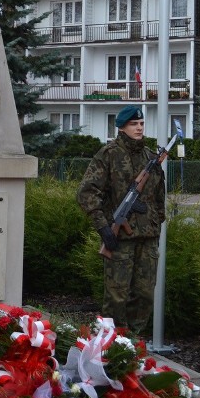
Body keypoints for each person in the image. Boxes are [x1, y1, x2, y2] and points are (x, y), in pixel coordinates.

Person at [76, 105, 166, 337]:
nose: (139, 128)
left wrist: (157, 222)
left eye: (142, 123)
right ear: (122, 127)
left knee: (145, 294)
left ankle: (134, 342)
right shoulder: (108, 154)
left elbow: (159, 195)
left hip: (147, 238)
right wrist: (104, 227)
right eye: (134, 124)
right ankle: (112, 344)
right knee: (117, 296)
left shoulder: (150, 158)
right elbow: (87, 193)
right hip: (120, 239)